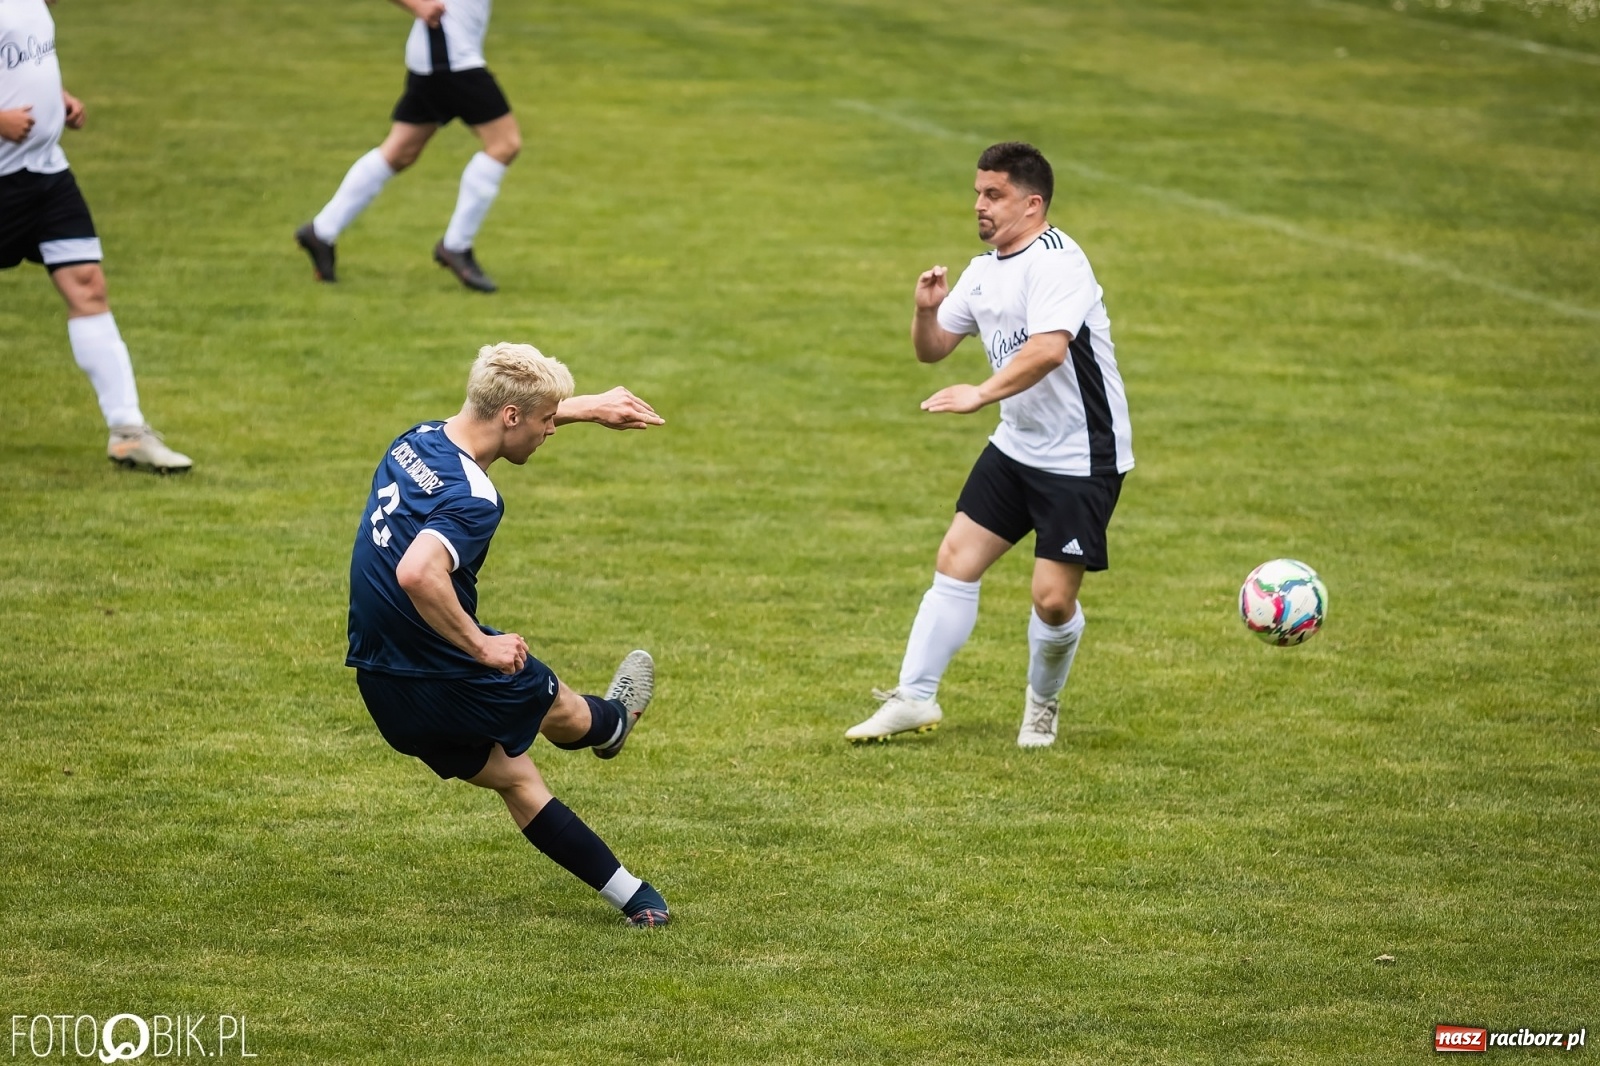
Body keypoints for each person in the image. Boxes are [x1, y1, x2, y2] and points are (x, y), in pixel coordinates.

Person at [348, 342, 671, 925]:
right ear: (512, 416)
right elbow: (418, 572)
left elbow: (508, 420)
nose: (552, 430)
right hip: (448, 668)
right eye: (548, 420)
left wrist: (584, 407)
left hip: (380, 678)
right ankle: (612, 724)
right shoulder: (474, 499)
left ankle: (637, 901)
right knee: (555, 701)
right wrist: (480, 645)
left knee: (516, 777)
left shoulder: (413, 440)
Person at [846, 142, 1134, 748]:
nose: (979, 205)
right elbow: (932, 351)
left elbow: (1049, 349)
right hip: (1017, 446)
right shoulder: (983, 270)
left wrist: (980, 393)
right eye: (978, 192)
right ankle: (914, 697)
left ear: (1032, 205)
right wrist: (925, 312)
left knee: (1052, 602)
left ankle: (1042, 705)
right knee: (956, 560)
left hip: (1080, 457)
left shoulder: (1060, 263)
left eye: (993, 194)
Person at [0, 0, 192, 472]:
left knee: (87, 284)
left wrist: (56, 96)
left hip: (46, 172)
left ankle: (127, 432)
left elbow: (25, 56)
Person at [295, 0, 521, 293]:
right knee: (505, 144)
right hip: (451, 55)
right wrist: (418, 4)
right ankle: (456, 246)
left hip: (441, 52)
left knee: (400, 152)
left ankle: (321, 231)